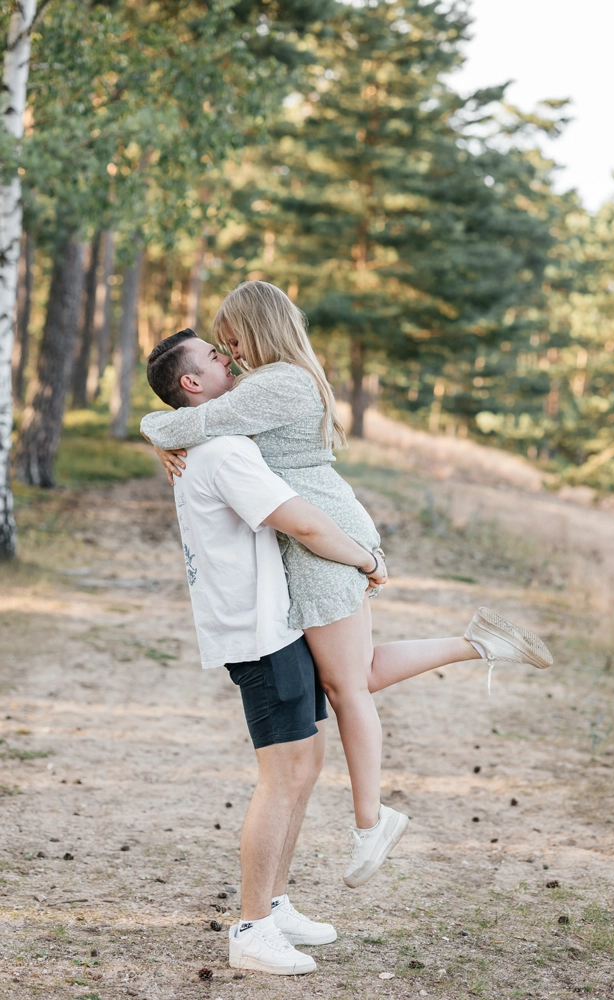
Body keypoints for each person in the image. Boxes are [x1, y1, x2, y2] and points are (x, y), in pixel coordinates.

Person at [141, 282, 553, 890]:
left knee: (346, 685)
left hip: (320, 538)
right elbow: (193, 419)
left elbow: (190, 419)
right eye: (220, 347)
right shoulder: (281, 379)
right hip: (322, 531)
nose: (228, 352)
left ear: (257, 327)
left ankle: (371, 820)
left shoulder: (275, 383)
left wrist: (161, 431)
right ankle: (479, 643)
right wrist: (167, 434)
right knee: (356, 672)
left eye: (230, 339)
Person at [145, 330, 387, 975]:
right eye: (215, 359)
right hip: (257, 632)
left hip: (270, 623)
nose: (230, 361)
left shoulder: (206, 441)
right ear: (192, 385)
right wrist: (366, 558)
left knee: (303, 769)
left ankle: (274, 904)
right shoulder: (222, 449)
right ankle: (251, 929)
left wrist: (161, 431)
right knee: (283, 777)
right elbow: (303, 522)